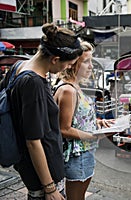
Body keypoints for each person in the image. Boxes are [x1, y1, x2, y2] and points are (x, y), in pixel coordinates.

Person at [0, 23, 83, 199]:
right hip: (43, 171)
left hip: (28, 165)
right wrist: (50, 188)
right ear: (55, 59)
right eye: (69, 64)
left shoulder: (18, 67)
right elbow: (33, 140)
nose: (68, 68)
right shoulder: (34, 83)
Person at [53, 41, 114, 200]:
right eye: (86, 62)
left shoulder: (75, 86)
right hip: (76, 156)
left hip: (85, 153)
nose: (91, 67)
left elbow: (77, 119)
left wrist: (97, 123)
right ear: (73, 64)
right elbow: (64, 129)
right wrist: (93, 136)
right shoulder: (68, 90)